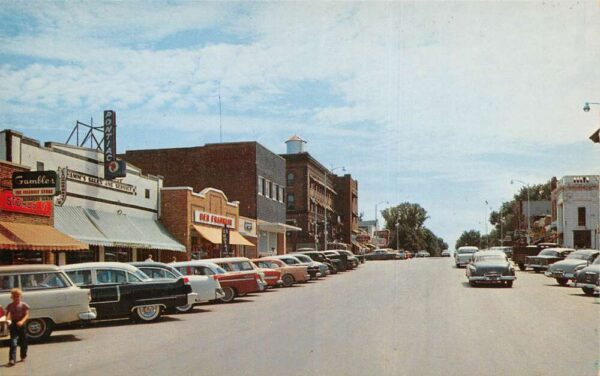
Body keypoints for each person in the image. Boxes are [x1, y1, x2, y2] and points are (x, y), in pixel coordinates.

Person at [6, 288, 29, 366]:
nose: (16, 298)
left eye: (17, 296)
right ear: (11, 297)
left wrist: (22, 321)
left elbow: (27, 315)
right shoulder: (10, 306)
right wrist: (8, 321)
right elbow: (8, 315)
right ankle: (12, 359)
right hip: (13, 324)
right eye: (14, 296)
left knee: (23, 341)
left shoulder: (23, 305)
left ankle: (23, 356)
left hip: (21, 324)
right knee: (13, 342)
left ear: (20, 297)